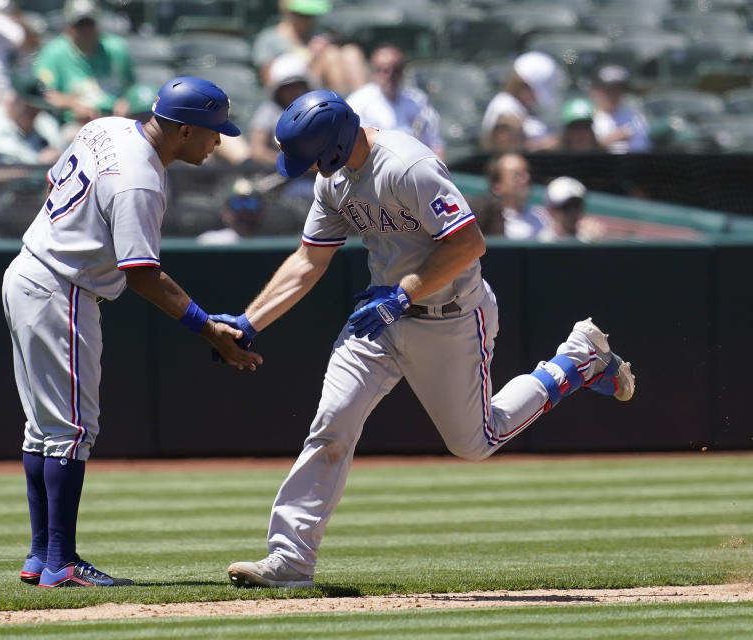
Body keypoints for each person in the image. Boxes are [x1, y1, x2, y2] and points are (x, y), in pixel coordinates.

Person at [216, 90, 634, 588]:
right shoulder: (334, 185)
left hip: (450, 315)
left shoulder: (406, 164)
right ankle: (291, 559)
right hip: (379, 318)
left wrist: (404, 293)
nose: (305, 169)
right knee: (332, 422)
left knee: (475, 442)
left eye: (307, 158)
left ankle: (577, 362)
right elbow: (310, 260)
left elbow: (468, 243)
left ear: (329, 146)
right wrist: (250, 320)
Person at [2, 77, 262, 588]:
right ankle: (61, 561)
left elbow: (54, 183)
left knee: (45, 429)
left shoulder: (105, 127)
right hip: (62, 288)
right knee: (71, 432)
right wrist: (208, 328)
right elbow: (142, 273)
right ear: (184, 130)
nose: (219, 141)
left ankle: (41, 556)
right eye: (213, 132)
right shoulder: (141, 178)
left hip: (27, 271)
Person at [33, 0, 135, 127]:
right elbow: (44, 93)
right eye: (80, 24)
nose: (86, 30)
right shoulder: (53, 53)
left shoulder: (117, 49)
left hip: (116, 121)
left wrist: (127, 101)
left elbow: (131, 86)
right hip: (76, 124)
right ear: (69, 28)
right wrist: (72, 104)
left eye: (89, 23)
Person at [345, 44, 445, 161]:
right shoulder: (358, 102)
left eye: (396, 70)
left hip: (417, 167)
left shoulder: (417, 100)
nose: (390, 75)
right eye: (383, 70)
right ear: (373, 71)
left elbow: (436, 145)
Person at [251, 0, 366, 96]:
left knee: (351, 52)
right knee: (331, 56)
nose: (308, 20)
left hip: (322, 85)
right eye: (302, 15)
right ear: (288, 12)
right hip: (293, 94)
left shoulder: (319, 34)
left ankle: (362, 105)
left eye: (312, 15)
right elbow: (269, 82)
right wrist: (310, 57)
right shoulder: (269, 39)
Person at [481, 51, 560, 152]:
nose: (535, 100)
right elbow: (506, 147)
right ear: (523, 85)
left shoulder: (519, 108)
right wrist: (547, 144)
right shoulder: (504, 107)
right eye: (534, 93)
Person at [249, 52, 312, 167]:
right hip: (278, 177)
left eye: (297, 85)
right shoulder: (269, 111)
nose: (293, 91)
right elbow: (257, 150)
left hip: (313, 177)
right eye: (287, 87)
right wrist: (289, 165)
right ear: (278, 90)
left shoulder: (316, 110)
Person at [485, 152, 554, 240]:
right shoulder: (489, 223)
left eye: (527, 172)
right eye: (516, 174)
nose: (526, 178)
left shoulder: (545, 217)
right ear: (497, 186)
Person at [589, 64, 651, 154]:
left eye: (618, 89)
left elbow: (645, 149)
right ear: (595, 90)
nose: (614, 94)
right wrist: (606, 141)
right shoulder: (588, 119)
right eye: (609, 89)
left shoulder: (636, 118)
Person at [196, 178, 264, 245]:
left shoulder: (268, 242)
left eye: (251, 204)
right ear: (225, 212)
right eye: (237, 204)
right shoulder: (210, 242)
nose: (244, 212)